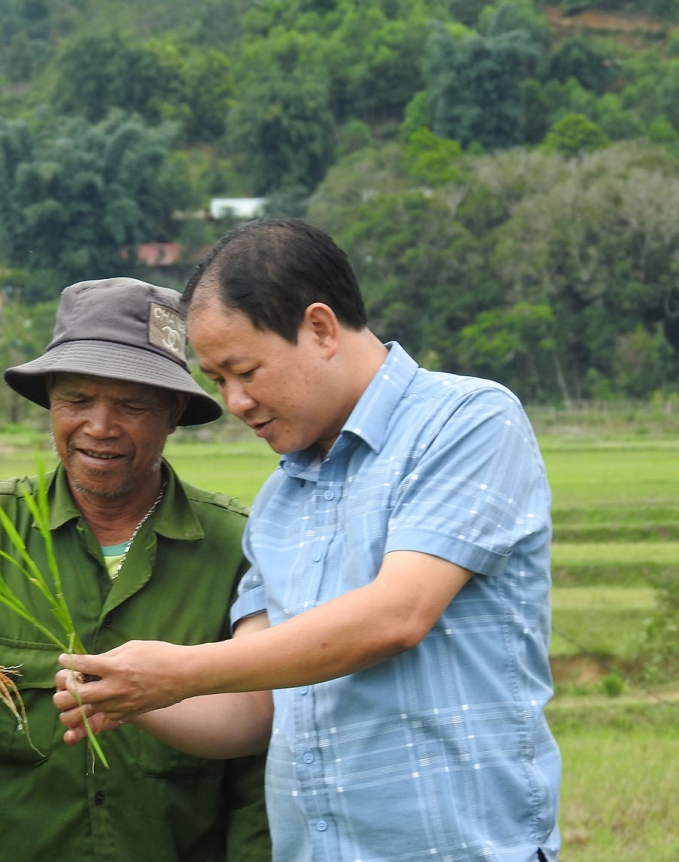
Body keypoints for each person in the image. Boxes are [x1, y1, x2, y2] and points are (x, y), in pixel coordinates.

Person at [54, 220, 562, 862]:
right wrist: (131, 694)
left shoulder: (465, 421)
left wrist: (180, 668)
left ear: (320, 328)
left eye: (245, 370)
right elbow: (254, 709)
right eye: (217, 381)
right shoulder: (280, 500)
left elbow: (397, 616)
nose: (235, 402)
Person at [0, 277, 271, 861]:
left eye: (131, 404)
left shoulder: (238, 547)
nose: (99, 426)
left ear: (173, 412)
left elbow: (260, 766)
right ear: (50, 405)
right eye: (77, 400)